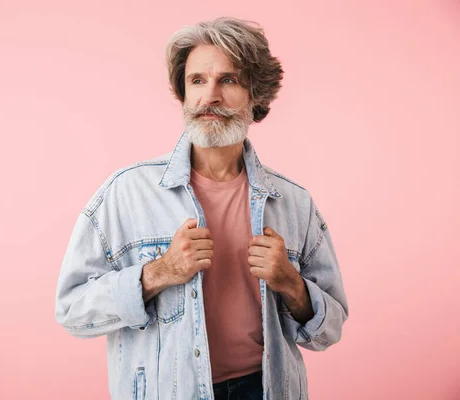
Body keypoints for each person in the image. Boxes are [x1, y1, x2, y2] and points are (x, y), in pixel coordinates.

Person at [55, 16, 348, 400]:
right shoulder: (126, 193)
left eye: (227, 80)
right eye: (197, 80)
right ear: (183, 92)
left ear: (255, 95)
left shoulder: (293, 202)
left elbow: (330, 329)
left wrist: (290, 282)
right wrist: (158, 272)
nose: (209, 96)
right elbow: (72, 310)